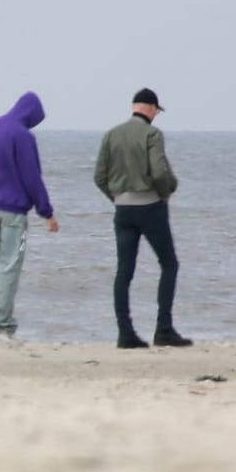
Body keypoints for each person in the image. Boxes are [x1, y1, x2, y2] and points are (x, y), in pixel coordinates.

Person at [94, 87, 188, 349]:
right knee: (169, 264)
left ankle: (125, 333)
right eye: (157, 111)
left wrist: (116, 197)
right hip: (150, 207)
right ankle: (164, 329)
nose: (156, 115)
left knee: (124, 272)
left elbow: (99, 177)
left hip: (122, 210)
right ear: (149, 108)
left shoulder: (111, 135)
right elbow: (159, 172)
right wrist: (167, 190)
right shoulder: (152, 135)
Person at [0, 91, 58, 344]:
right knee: (9, 267)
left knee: (1, 267)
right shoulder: (22, 135)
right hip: (12, 211)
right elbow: (32, 177)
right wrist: (46, 212)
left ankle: (5, 326)